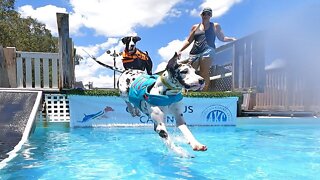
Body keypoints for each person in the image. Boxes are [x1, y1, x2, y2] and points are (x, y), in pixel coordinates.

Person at [177, 7, 236, 91]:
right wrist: (180, 50)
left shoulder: (215, 26)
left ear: (211, 15)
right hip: (194, 52)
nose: (206, 15)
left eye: (208, 14)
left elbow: (222, 38)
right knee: (190, 72)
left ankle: (203, 93)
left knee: (203, 72)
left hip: (208, 50)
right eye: (204, 13)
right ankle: (188, 92)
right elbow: (188, 41)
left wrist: (232, 39)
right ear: (201, 15)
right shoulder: (195, 27)